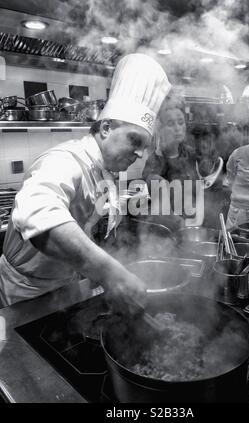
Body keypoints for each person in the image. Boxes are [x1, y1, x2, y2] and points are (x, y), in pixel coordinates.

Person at [0, 53, 171, 308]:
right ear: (106, 128)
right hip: (25, 293)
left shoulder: (104, 171)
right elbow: (36, 214)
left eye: (144, 147)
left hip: (64, 288)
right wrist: (111, 274)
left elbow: (86, 227)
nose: (139, 154)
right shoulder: (65, 160)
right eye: (135, 141)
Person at [142, 93, 198, 228]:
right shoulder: (154, 163)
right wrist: (181, 224)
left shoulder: (189, 154)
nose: (178, 128)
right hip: (165, 234)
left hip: (191, 224)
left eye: (180, 122)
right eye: (171, 124)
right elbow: (161, 211)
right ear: (160, 128)